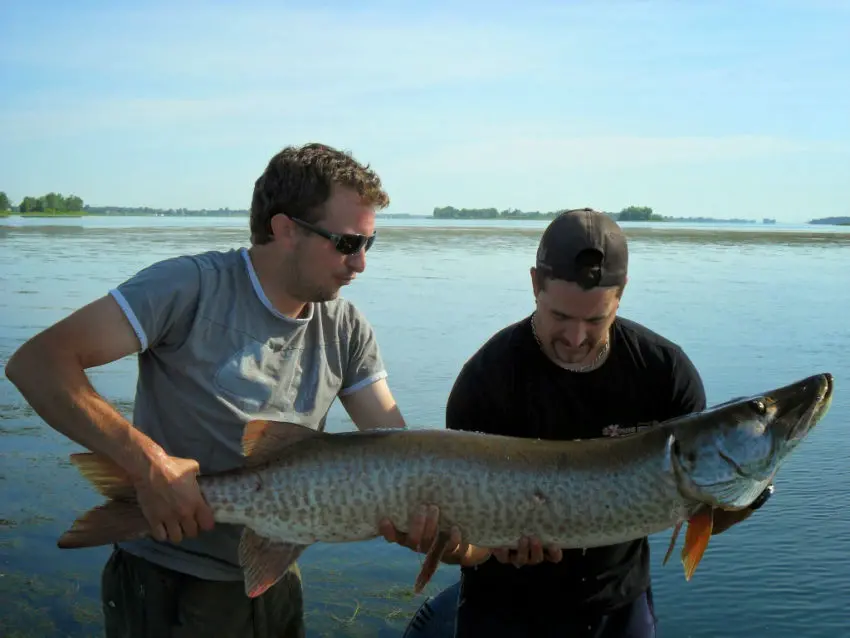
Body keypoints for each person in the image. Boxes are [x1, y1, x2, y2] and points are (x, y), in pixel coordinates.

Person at [5, 142, 408, 638]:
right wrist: (146, 463)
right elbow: (39, 364)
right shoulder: (189, 288)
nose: (361, 263)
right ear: (286, 230)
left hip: (275, 575)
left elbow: (398, 448)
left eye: (371, 243)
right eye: (347, 243)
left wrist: (443, 522)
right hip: (166, 581)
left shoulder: (345, 327)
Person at [382, 208, 773, 638]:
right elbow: (470, 549)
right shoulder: (486, 380)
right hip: (503, 605)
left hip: (616, 604)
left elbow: (701, 512)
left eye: (595, 320)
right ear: (535, 285)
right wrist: (465, 547)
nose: (574, 338)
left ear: (621, 294)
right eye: (560, 317)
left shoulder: (665, 373)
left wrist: (750, 492)